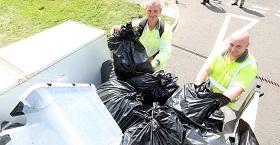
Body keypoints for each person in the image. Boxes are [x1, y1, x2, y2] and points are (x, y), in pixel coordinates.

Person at [195, 31, 258, 109]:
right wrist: (196, 88)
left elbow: (237, 90)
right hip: (206, 94)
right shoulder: (221, 50)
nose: (233, 49)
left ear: (247, 46)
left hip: (223, 105)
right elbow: (205, 70)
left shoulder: (250, 65)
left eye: (238, 46)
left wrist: (214, 105)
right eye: (231, 44)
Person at [113, 0, 173, 71]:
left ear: (160, 11)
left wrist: (153, 65)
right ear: (145, 10)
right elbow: (118, 29)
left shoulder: (165, 29)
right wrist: (116, 28)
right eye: (149, 11)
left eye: (155, 11)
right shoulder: (138, 24)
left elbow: (166, 51)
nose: (152, 14)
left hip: (155, 69)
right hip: (138, 65)